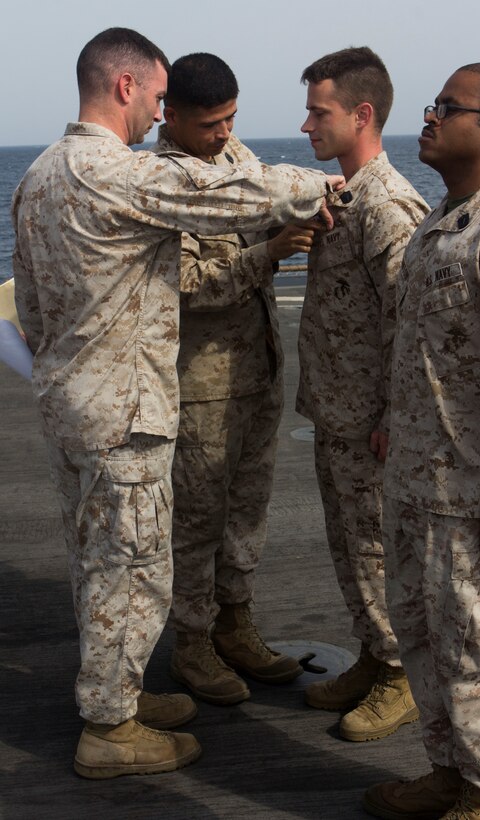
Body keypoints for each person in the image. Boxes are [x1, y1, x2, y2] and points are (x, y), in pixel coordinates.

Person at [11, 27, 343, 779]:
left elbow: (29, 307)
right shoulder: (112, 172)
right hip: (124, 413)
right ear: (126, 87)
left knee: (100, 563)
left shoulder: (38, 176)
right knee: (133, 569)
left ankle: (115, 694)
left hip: (74, 404)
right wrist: (322, 188)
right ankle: (110, 729)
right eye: (159, 98)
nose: (159, 114)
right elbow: (224, 189)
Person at [364, 63, 480, 819]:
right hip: (418, 484)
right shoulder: (438, 221)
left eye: (446, 108)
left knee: (476, 657)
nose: (426, 117)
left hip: (473, 496)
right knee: (423, 642)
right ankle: (451, 772)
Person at [153, 53, 314, 704]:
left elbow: (267, 203)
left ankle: (234, 623)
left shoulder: (237, 160)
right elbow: (184, 288)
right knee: (197, 522)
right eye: (210, 123)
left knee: (247, 513)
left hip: (258, 369)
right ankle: (192, 643)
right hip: (201, 385)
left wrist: (292, 224)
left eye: (231, 118)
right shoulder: (158, 183)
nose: (223, 133)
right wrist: (268, 254)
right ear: (171, 115)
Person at [297, 46, 429, 742]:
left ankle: (402, 673)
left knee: (376, 551)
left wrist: (393, 417)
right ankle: (375, 656)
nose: (307, 124)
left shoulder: (386, 207)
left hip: (371, 422)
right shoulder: (342, 197)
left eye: (320, 112)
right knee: (349, 547)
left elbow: (411, 326)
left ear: (362, 113)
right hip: (336, 411)